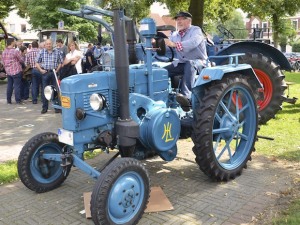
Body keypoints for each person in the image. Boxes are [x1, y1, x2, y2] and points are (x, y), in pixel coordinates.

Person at [164, 11, 208, 106]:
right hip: (182, 63)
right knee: (162, 71)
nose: (179, 21)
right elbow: (168, 46)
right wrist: (157, 44)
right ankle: (163, 96)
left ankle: (187, 98)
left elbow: (193, 42)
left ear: (189, 21)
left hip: (199, 62)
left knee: (190, 64)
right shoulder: (175, 34)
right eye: (177, 19)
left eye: (182, 19)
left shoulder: (196, 30)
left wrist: (175, 44)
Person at [35, 39, 63, 114]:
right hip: (45, 73)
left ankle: (57, 108)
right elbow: (36, 62)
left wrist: (57, 69)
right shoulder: (41, 52)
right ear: (45, 45)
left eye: (50, 44)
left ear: (52, 44)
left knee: (56, 90)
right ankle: (44, 108)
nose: (48, 45)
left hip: (54, 72)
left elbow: (61, 62)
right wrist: (41, 70)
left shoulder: (57, 51)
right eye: (47, 44)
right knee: (45, 90)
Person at [2, 38, 24, 104]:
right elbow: (21, 60)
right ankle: (18, 100)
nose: (15, 43)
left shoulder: (4, 51)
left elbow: (3, 62)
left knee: (9, 86)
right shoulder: (15, 51)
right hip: (16, 71)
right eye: (14, 42)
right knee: (17, 86)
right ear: (12, 43)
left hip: (8, 72)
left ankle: (9, 100)